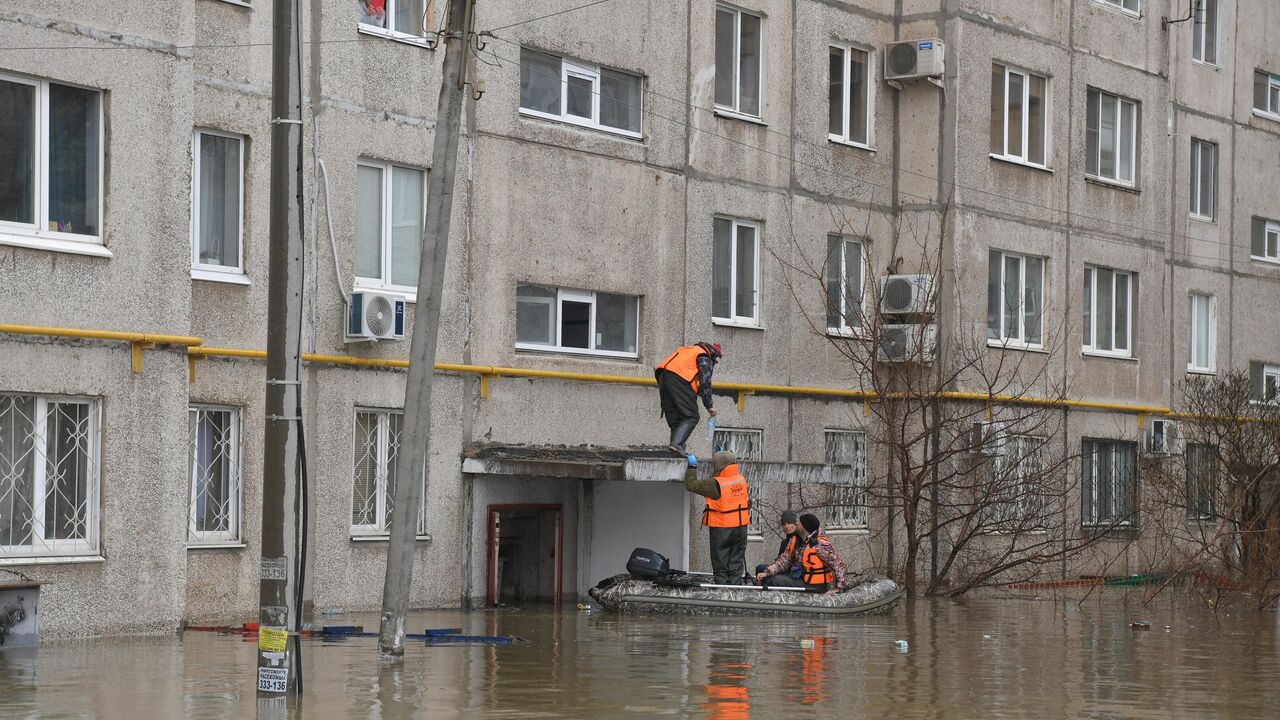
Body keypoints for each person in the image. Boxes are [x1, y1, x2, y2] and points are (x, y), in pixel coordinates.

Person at [683, 450, 750, 585]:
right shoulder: (741, 479)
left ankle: (723, 593)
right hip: (741, 527)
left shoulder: (716, 484)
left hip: (722, 528)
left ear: (719, 465)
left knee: (721, 562)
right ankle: (736, 591)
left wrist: (692, 467)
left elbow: (691, 485)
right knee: (736, 562)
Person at [655, 342, 722, 455]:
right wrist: (709, 405)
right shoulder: (704, 356)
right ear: (713, 354)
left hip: (663, 376)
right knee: (691, 416)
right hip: (678, 379)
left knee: (677, 421)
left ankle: (675, 452)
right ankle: (676, 445)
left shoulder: (689, 350)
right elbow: (705, 381)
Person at [755, 513, 847, 594]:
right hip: (800, 578)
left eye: (799, 522)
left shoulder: (820, 545)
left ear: (805, 526)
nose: (796, 524)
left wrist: (837, 588)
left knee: (774, 580)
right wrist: (767, 573)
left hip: (815, 585)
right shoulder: (795, 540)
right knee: (765, 574)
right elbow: (784, 561)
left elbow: (838, 566)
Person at [754, 511, 802, 581]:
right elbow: (779, 559)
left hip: (792, 571)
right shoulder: (784, 542)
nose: (786, 526)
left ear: (795, 524)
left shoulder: (799, 539)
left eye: (789, 523)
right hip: (781, 567)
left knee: (771, 577)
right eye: (784, 524)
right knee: (760, 568)